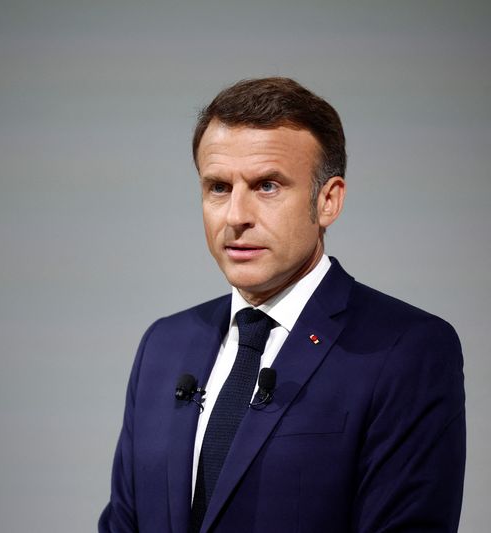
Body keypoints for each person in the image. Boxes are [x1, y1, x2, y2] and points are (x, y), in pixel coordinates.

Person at [99, 77, 465, 533]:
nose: (236, 216)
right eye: (217, 187)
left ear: (327, 201)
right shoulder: (164, 345)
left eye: (267, 186)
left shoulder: (406, 350)